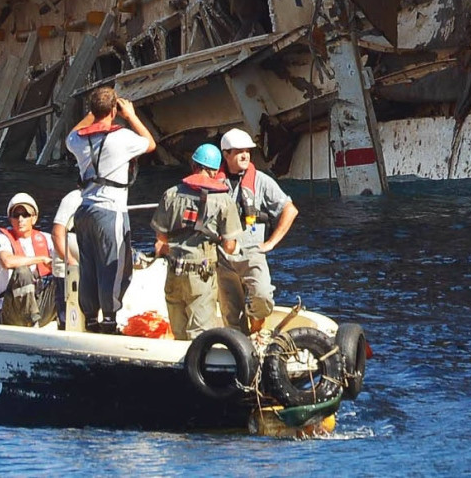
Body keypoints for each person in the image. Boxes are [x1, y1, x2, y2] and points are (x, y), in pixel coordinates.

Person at [65, 87, 156, 334]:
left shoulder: (78, 140)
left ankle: (90, 319)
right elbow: (150, 144)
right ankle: (109, 321)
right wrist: (131, 115)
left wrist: (92, 114)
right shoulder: (122, 137)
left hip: (84, 210)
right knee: (114, 266)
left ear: (93, 111)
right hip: (110, 210)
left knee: (88, 266)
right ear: (114, 110)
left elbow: (71, 134)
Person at [151, 144, 241, 341]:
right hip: (202, 275)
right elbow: (229, 247)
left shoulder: (171, 194)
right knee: (200, 337)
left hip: (174, 272)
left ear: (193, 165)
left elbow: (161, 239)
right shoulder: (224, 201)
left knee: (179, 333)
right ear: (215, 171)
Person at [216, 128, 299, 334]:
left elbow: (290, 210)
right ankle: (239, 343)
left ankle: (257, 330)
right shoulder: (214, 182)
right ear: (226, 154)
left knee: (262, 297)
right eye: (239, 152)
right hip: (221, 257)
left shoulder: (261, 181)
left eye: (248, 151)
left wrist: (270, 243)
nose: (245, 155)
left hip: (252, 253)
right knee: (231, 313)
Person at [0, 193, 57, 326]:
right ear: (10, 219)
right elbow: (7, 261)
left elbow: (67, 259)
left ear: (34, 218)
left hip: (39, 304)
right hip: (9, 311)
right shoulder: (2, 239)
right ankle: (31, 323)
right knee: (22, 272)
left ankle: (76, 318)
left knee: (67, 274)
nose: (20, 219)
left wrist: (57, 264)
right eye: (16, 215)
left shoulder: (46, 239)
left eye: (25, 215)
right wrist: (41, 259)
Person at [50, 188, 83, 329]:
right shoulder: (73, 197)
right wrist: (70, 261)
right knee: (68, 313)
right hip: (68, 268)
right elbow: (57, 234)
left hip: (91, 266)